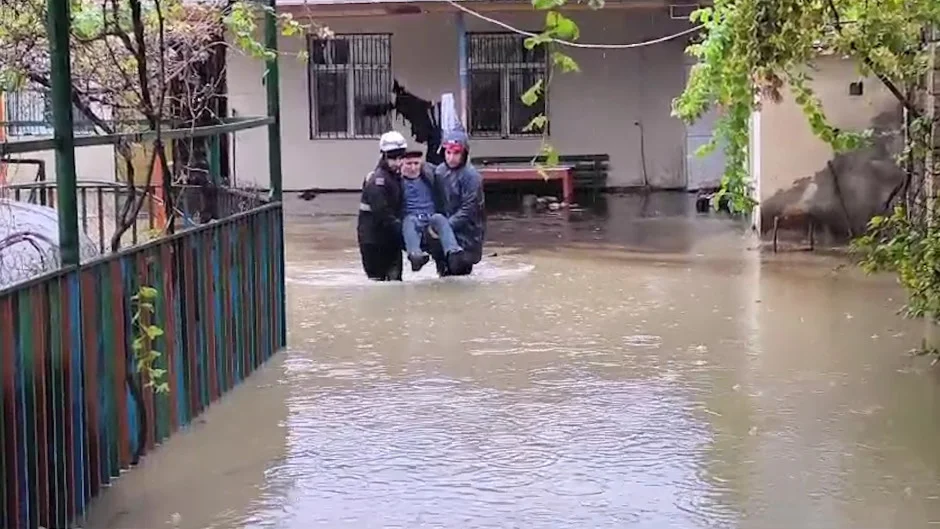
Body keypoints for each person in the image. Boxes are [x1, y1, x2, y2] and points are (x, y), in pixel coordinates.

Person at [427, 129, 485, 276]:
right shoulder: (439, 172)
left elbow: (468, 209)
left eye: (456, 153)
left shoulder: (471, 177)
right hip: (444, 235)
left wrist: (445, 227)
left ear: (464, 153)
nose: (451, 158)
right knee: (443, 275)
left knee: (459, 274)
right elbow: (434, 202)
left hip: (467, 237)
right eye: (448, 153)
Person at [399, 150, 464, 272]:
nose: (413, 168)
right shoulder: (397, 182)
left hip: (431, 218)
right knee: (409, 221)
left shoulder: (430, 177)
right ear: (402, 164)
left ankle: (453, 251)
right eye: (409, 164)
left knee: (439, 218)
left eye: (416, 163)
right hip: (412, 220)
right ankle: (415, 255)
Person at [357, 131, 408, 281]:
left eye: (401, 157)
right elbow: (383, 214)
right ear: (384, 156)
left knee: (395, 283)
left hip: (390, 240)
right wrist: (406, 233)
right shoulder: (377, 180)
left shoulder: (397, 178)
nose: (398, 162)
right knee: (378, 283)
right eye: (393, 157)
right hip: (373, 242)